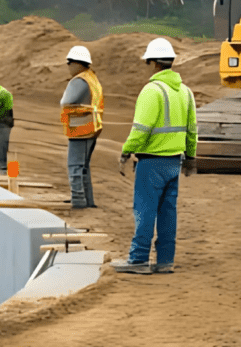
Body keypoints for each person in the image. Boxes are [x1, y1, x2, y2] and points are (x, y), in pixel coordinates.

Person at [111, 37, 197, 275]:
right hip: (174, 162)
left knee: (145, 210)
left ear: (153, 63)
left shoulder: (152, 91)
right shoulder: (186, 93)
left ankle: (138, 259)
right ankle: (165, 260)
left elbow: (141, 129)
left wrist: (126, 151)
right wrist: (190, 158)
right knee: (168, 213)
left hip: (151, 162)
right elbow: (192, 131)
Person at [60, 45, 103, 209]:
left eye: (69, 63)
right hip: (92, 127)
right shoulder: (92, 78)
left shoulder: (80, 80)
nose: (68, 67)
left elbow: (66, 101)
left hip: (80, 129)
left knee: (75, 166)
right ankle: (87, 201)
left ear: (76, 63)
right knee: (83, 167)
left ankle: (78, 201)